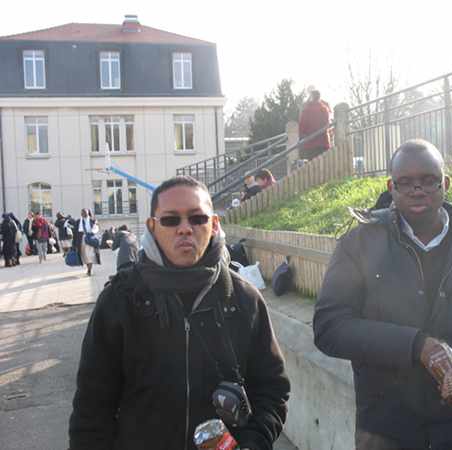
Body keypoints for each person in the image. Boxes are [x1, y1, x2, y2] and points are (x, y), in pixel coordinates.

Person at [313, 139, 452, 450]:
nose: (417, 190)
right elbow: (330, 327)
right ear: (391, 187)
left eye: (428, 180)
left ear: (445, 184)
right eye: (405, 182)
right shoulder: (359, 243)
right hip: (386, 427)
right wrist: (418, 346)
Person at [69, 175, 290, 450]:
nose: (185, 229)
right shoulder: (120, 300)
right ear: (152, 227)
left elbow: (272, 390)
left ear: (214, 224)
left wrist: (253, 442)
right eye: (171, 220)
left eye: (197, 218)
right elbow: (91, 406)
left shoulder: (244, 300)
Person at [298, 89, 332, 160]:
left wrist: (302, 138)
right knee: (324, 164)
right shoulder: (324, 109)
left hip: (309, 144)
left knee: (312, 164)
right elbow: (327, 125)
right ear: (319, 97)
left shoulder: (306, 110)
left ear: (311, 97)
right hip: (323, 143)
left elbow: (302, 128)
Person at [72, 208, 101, 276]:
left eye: (85, 212)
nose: (83, 214)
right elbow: (75, 233)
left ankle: (89, 270)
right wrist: (74, 243)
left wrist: (91, 232)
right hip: (81, 241)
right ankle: (88, 268)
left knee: (90, 255)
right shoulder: (78, 222)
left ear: (88, 213)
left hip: (90, 240)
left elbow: (96, 229)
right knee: (84, 256)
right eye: (82, 212)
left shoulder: (93, 220)